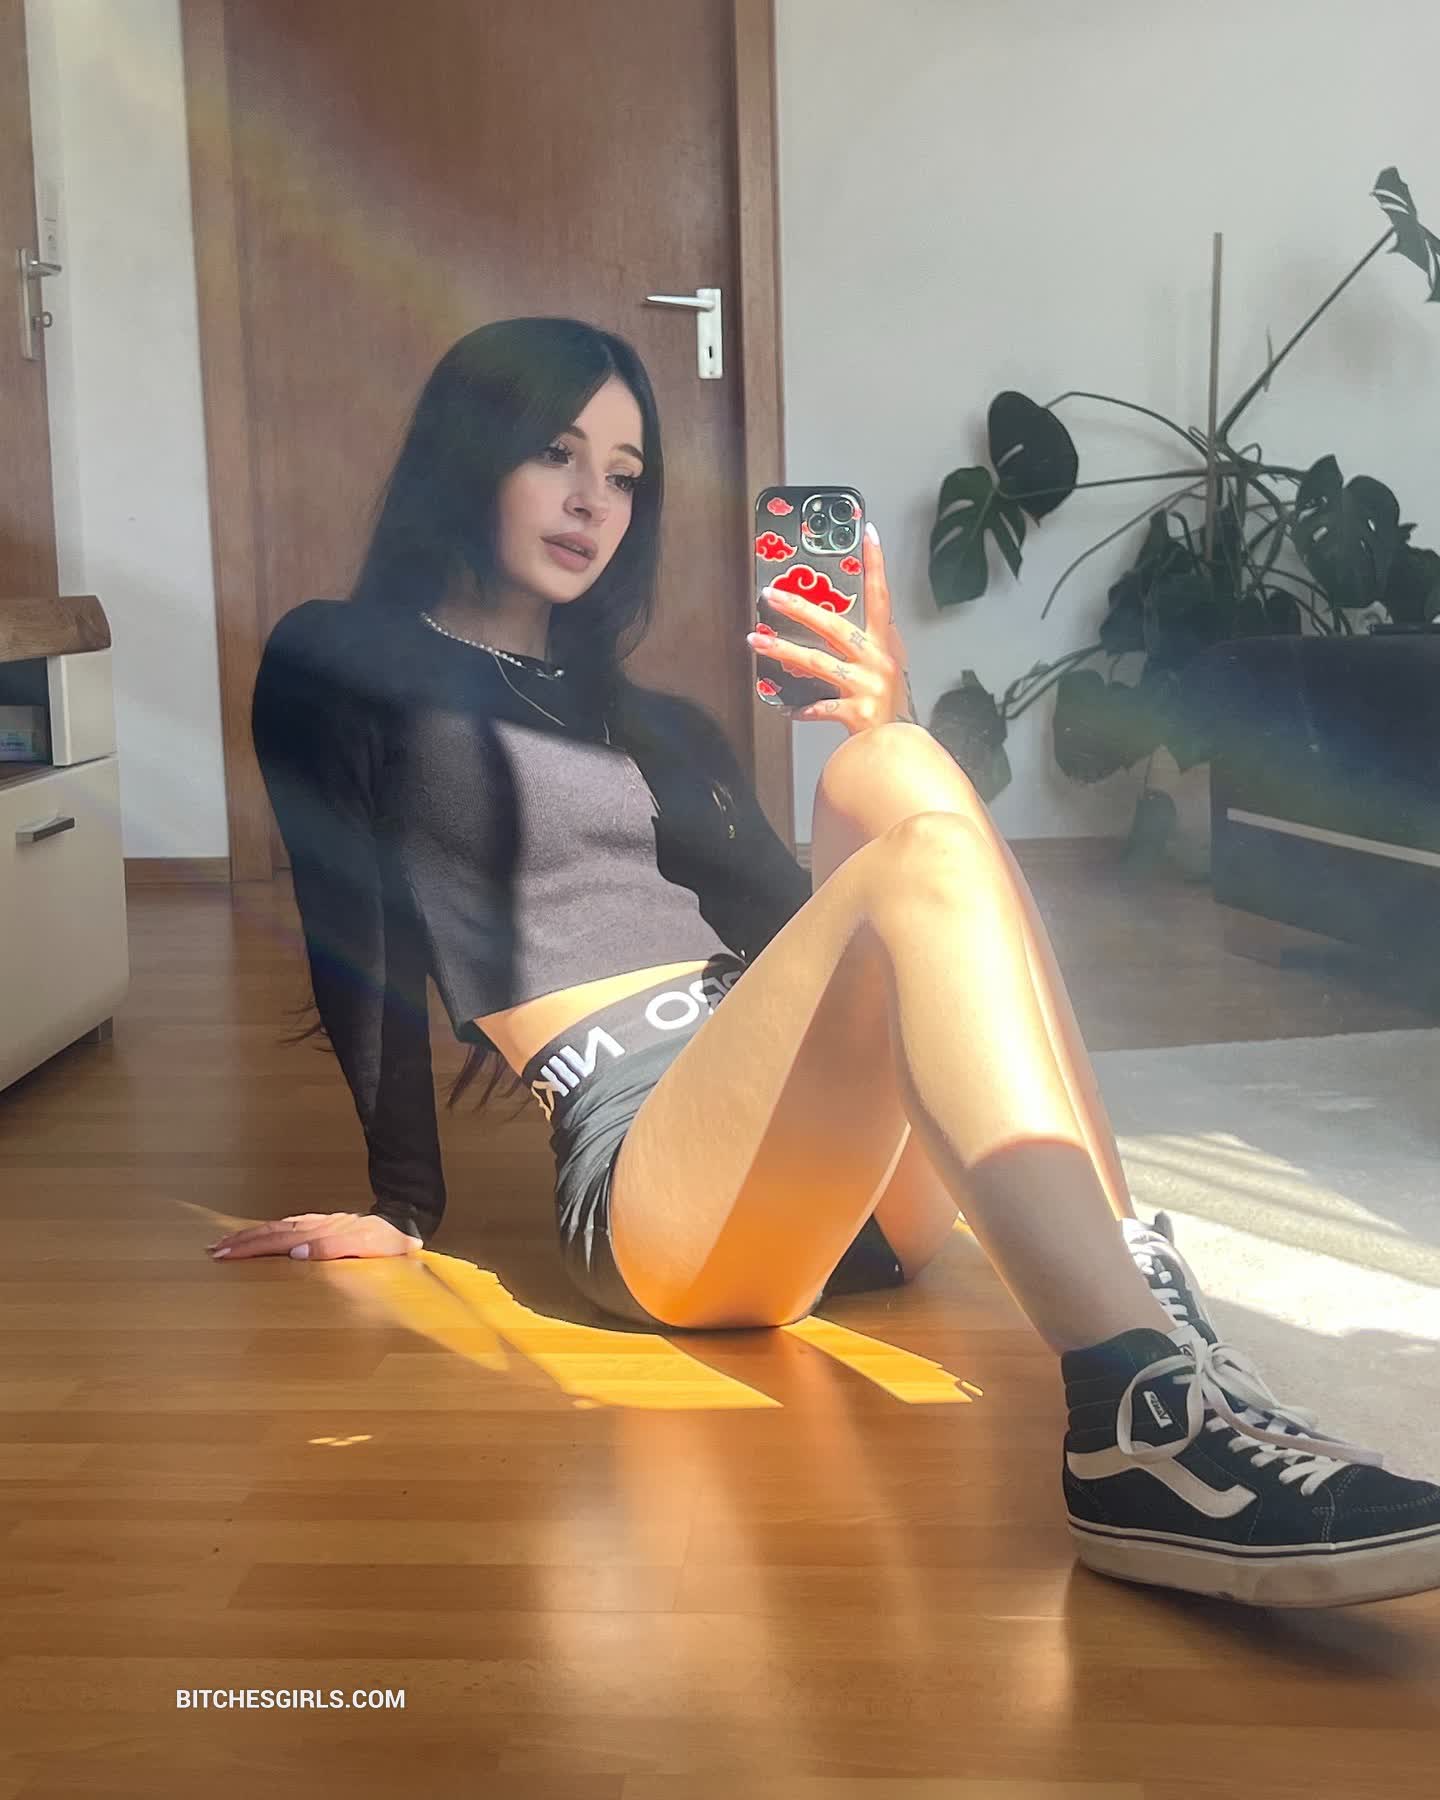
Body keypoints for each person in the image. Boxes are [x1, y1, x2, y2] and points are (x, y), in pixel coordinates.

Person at [210, 317, 1440, 1610]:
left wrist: (884, 718)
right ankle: (1139, 1424)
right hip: (662, 1182)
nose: (593, 501)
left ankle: (1158, 1338)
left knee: (892, 766)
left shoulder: (654, 722)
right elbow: (348, 923)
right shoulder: (338, 657)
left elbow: (827, 937)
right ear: (471, 449)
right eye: (555, 452)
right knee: (915, 852)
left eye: (625, 474)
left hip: (830, 1179)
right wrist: (403, 1200)